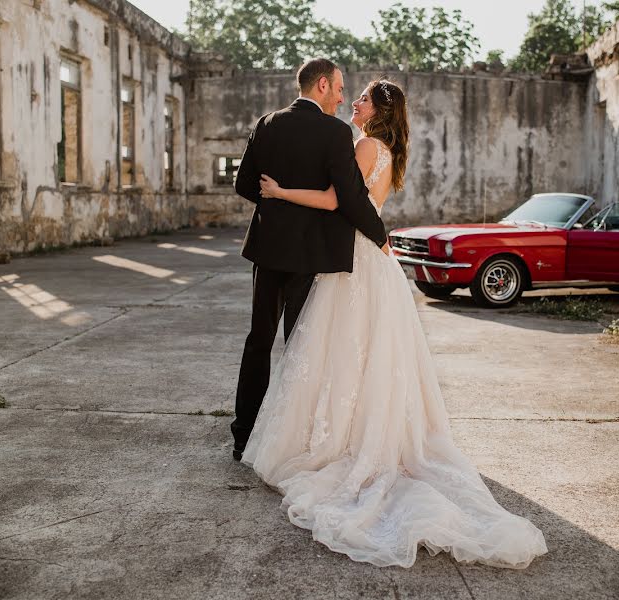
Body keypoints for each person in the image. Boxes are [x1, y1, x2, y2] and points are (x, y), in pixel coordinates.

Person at [243, 77, 548, 569]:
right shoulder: (385, 148)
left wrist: (278, 190)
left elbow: (335, 201)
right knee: (368, 358)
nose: (353, 102)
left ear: (376, 111)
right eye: (351, 94)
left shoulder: (364, 145)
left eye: (360, 98)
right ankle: (360, 435)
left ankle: (344, 444)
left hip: (360, 259)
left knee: (342, 354)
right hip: (375, 261)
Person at [230, 58, 388, 462]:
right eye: (338, 88)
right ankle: (289, 438)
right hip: (310, 254)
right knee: (300, 347)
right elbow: (349, 198)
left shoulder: (267, 123)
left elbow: (244, 183)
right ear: (321, 84)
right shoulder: (335, 133)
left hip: (266, 249)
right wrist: (380, 236)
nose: (341, 97)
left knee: (258, 341)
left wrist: (277, 203)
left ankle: (244, 436)